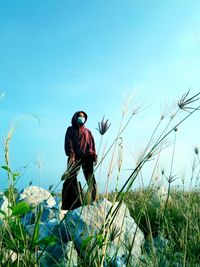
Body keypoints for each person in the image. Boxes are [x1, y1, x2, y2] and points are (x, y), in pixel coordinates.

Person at [61, 111, 98, 210]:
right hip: (75, 157)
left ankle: (94, 200)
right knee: (70, 179)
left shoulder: (88, 132)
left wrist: (94, 155)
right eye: (79, 117)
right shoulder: (70, 130)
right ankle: (69, 205)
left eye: (83, 117)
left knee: (90, 179)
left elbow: (92, 144)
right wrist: (71, 154)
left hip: (87, 157)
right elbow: (68, 143)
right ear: (75, 118)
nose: (81, 118)